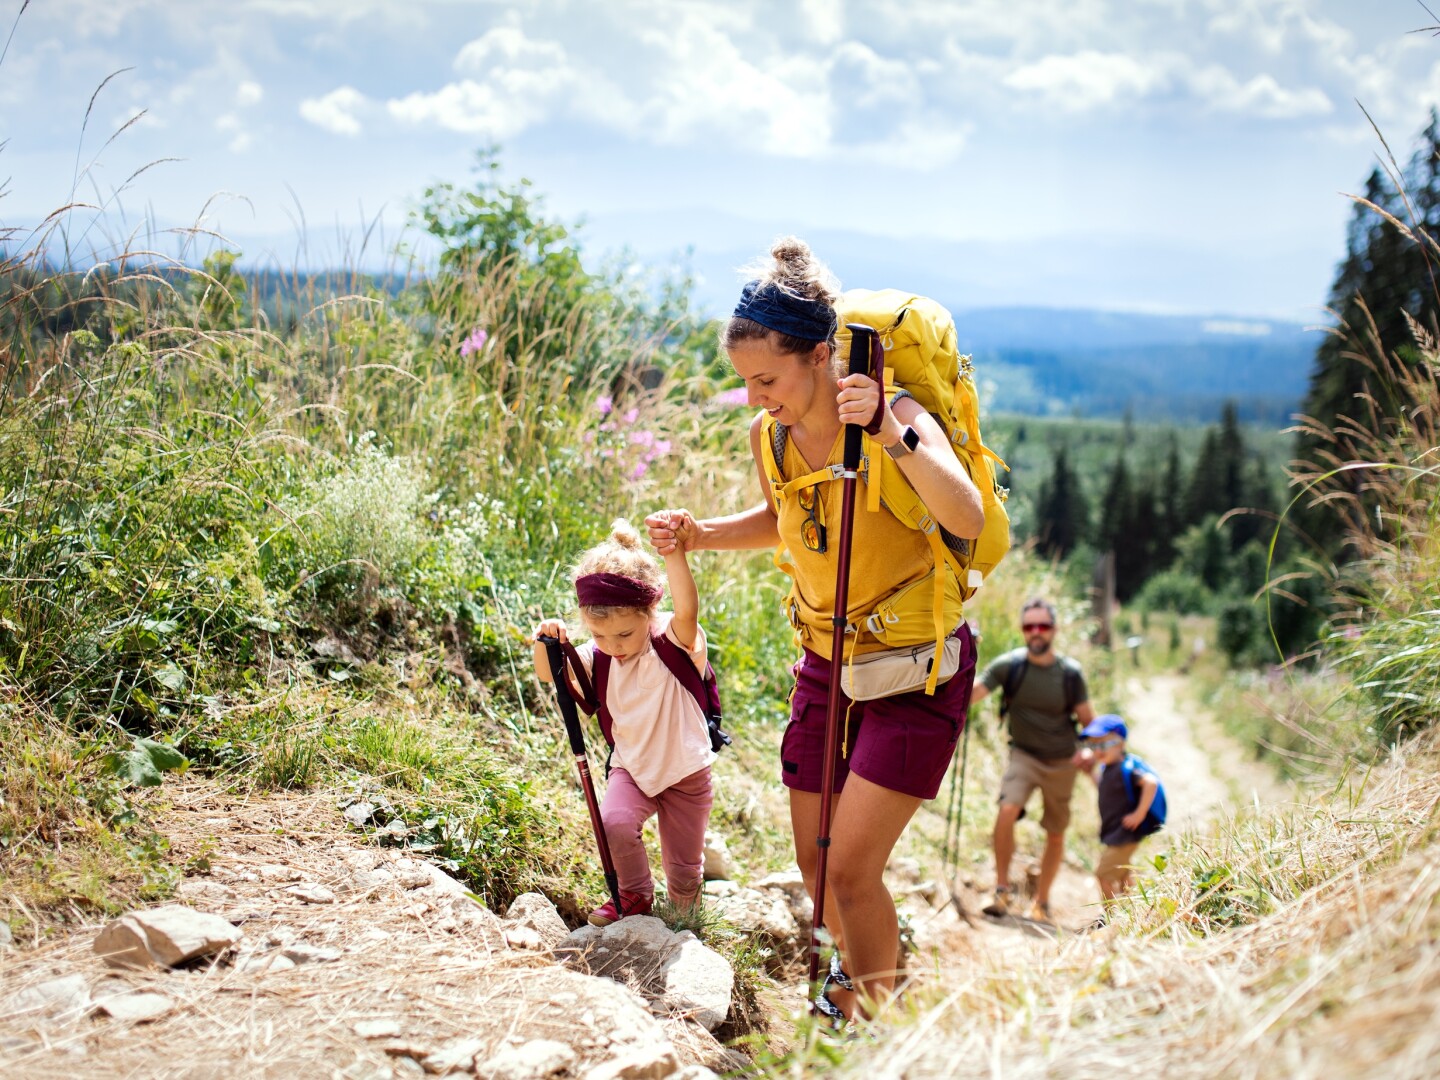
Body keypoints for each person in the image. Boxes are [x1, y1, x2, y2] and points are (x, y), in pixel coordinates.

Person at [646, 237, 985, 1022]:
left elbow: (965, 514)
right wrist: (701, 534)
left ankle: (875, 1026)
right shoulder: (771, 436)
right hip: (826, 663)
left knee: (853, 872)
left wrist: (892, 435)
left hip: (915, 669)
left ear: (821, 355)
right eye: (745, 383)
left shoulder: (896, 415)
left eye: (767, 380)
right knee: (816, 864)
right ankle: (855, 994)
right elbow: (785, 517)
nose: (755, 398)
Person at [532, 518, 714, 927]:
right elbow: (548, 673)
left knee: (684, 869)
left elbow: (688, 609)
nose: (613, 646)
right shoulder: (599, 656)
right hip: (631, 766)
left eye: (625, 635)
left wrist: (673, 554)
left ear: (650, 612)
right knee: (614, 822)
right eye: (600, 636)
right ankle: (634, 895)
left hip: (686, 772)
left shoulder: (673, 640)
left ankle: (686, 921)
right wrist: (545, 641)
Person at [968, 598, 1095, 923]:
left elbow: (1089, 724)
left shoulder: (1070, 674)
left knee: (1056, 833)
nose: (1036, 632)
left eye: (1043, 626)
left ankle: (1042, 902)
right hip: (1024, 756)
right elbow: (971, 694)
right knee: (1007, 809)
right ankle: (1001, 890)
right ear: (1022, 630)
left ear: (1054, 629)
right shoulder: (1009, 666)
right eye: (1029, 626)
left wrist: (1089, 751)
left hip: (1063, 762)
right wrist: (964, 655)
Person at [1074, 713, 1163, 908]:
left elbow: (1150, 783)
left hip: (1126, 833)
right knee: (1123, 874)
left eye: (1104, 744)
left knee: (1103, 875)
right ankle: (1135, 909)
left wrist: (1139, 814)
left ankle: (1111, 915)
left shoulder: (1126, 768)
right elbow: (1105, 790)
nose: (1098, 751)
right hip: (1116, 832)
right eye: (1093, 746)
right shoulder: (1108, 769)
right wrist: (1090, 774)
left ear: (1121, 744)